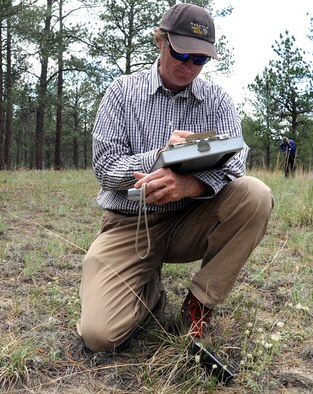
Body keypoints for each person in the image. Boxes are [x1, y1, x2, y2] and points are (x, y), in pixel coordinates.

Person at [77, 3, 274, 353]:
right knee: (99, 335)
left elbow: (236, 162)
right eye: (182, 53)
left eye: (200, 60)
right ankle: (148, 291)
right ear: (161, 41)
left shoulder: (217, 100)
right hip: (129, 225)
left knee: (255, 194)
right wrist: (160, 158)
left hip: (190, 221)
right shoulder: (122, 92)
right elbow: (106, 167)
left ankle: (198, 305)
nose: (189, 66)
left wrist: (189, 184)